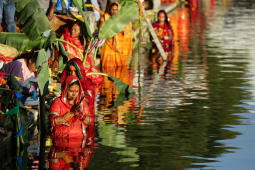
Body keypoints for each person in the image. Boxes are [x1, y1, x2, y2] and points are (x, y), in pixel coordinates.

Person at [99, 1, 132, 67]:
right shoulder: (105, 17)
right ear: (109, 9)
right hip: (108, 44)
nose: (114, 11)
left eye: (116, 9)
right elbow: (101, 29)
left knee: (120, 67)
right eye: (112, 9)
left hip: (120, 46)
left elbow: (127, 31)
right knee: (108, 66)